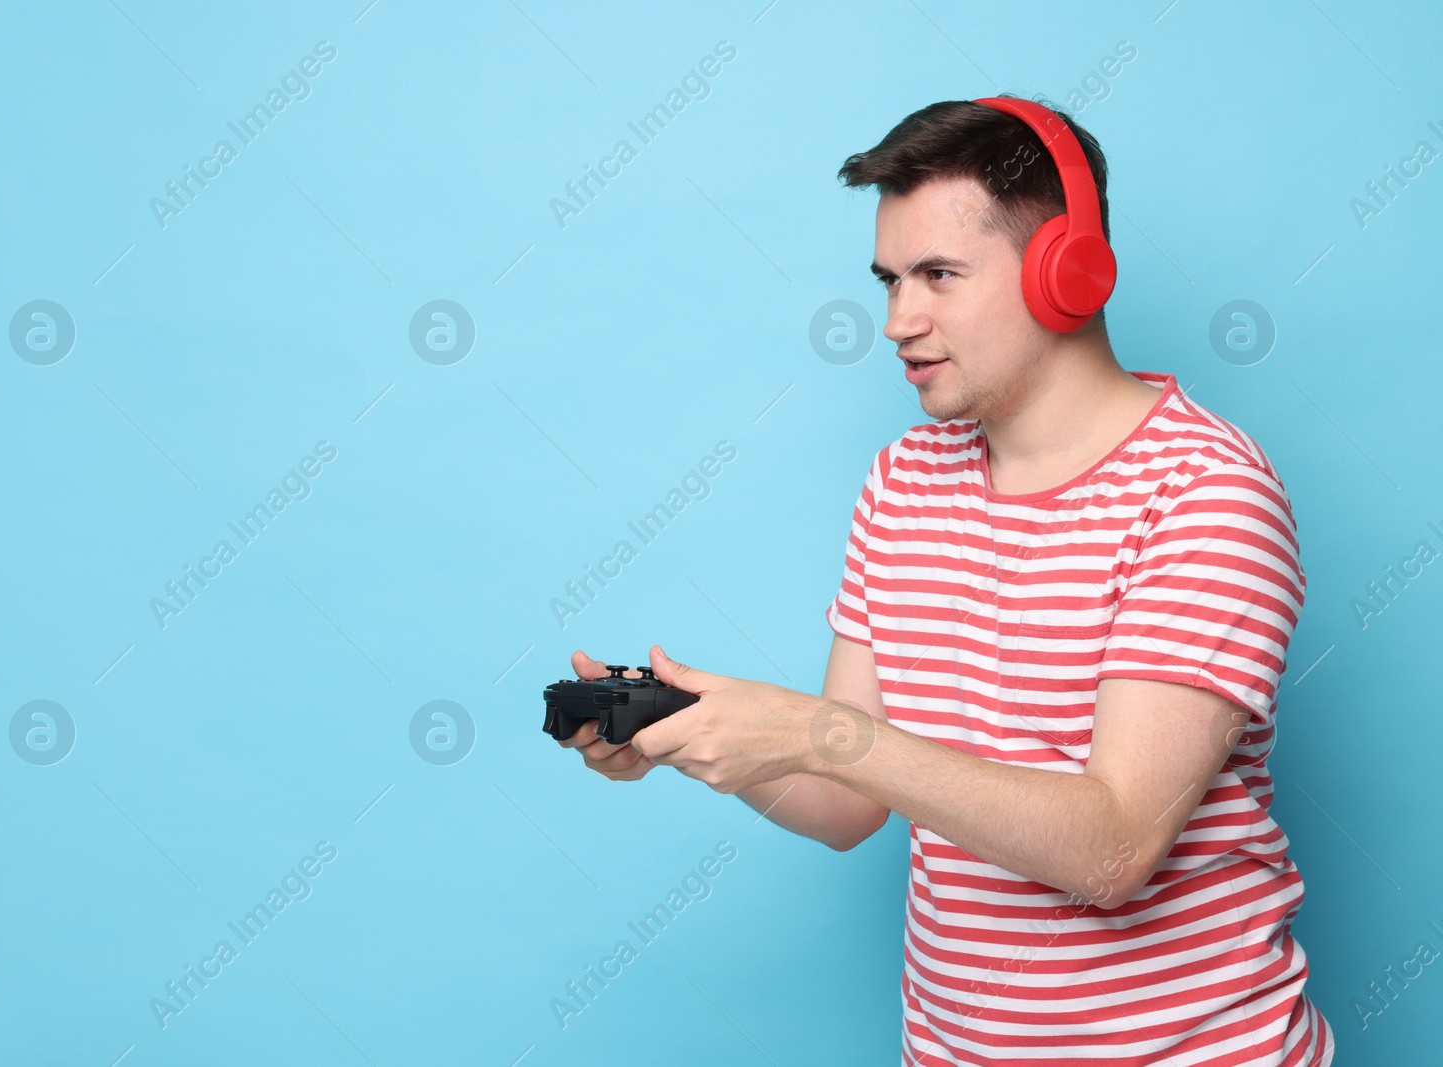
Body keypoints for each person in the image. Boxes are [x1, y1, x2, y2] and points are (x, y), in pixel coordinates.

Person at [560, 95, 1332, 1066]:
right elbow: (848, 801)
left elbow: (1114, 848)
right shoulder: (902, 481)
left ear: (1068, 272)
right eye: (888, 280)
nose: (895, 320)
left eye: (936, 275)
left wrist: (811, 728)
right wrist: (699, 733)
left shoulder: (1206, 493)